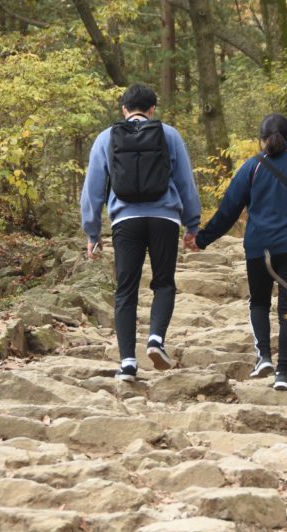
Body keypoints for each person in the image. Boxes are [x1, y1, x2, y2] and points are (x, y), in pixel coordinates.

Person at [192, 114, 287, 390]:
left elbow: (228, 210)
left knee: (259, 303)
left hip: (260, 248)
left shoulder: (251, 167)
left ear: (262, 139)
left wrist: (202, 239)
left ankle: (265, 358)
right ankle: (283, 373)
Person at [81, 84, 202, 381]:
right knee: (163, 283)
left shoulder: (106, 137)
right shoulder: (169, 135)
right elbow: (186, 182)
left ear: (124, 109)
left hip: (126, 221)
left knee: (125, 290)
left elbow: (93, 190)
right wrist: (192, 224)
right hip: (165, 220)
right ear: (152, 110)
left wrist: (92, 233)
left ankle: (127, 364)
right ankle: (156, 340)